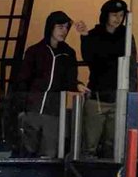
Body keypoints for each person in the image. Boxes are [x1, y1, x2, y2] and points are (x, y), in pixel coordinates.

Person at [12, 11, 86, 158]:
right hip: (32, 108)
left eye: (66, 28)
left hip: (53, 110)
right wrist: (21, 108)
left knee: (49, 151)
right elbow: (23, 80)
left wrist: (77, 85)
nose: (64, 31)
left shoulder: (68, 53)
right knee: (28, 149)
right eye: (60, 27)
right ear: (50, 28)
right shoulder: (35, 51)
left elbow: (70, 79)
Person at [77, 0, 138, 158]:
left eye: (121, 15)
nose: (118, 19)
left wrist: (130, 96)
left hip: (119, 98)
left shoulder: (126, 35)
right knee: (90, 145)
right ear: (105, 16)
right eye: (114, 15)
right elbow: (88, 58)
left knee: (114, 146)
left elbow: (131, 67)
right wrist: (84, 36)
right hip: (97, 96)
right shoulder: (94, 35)